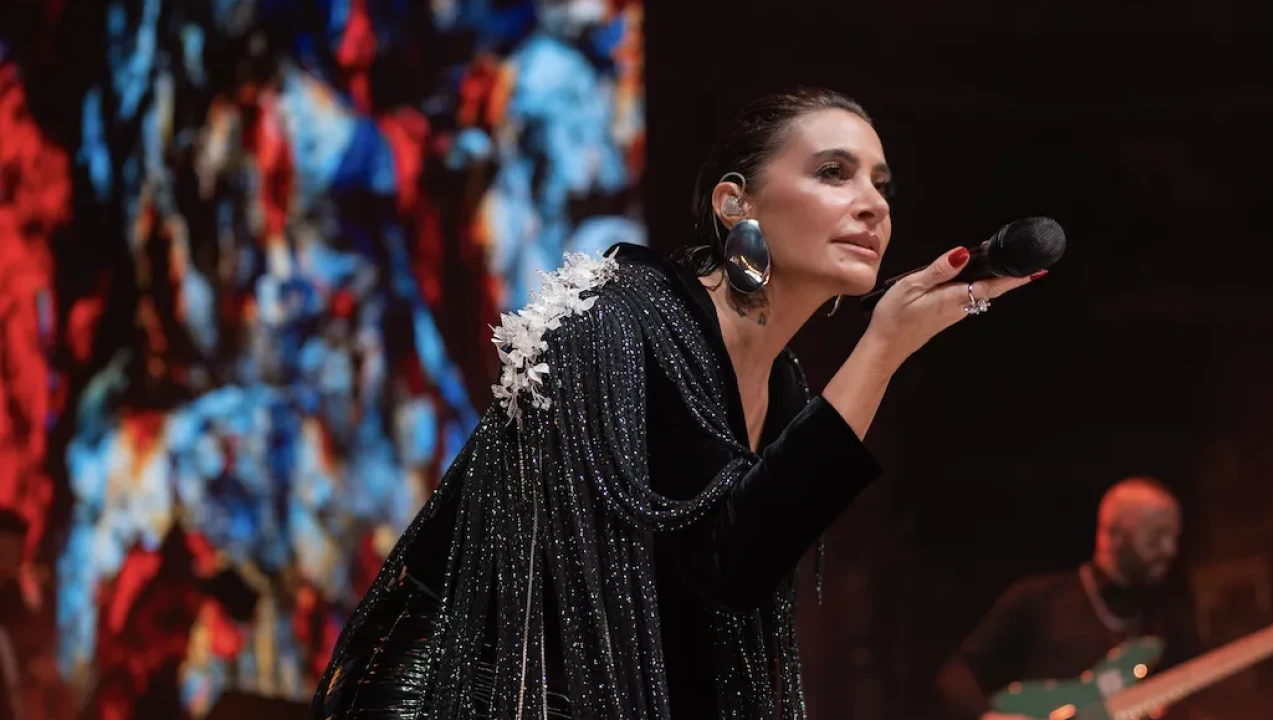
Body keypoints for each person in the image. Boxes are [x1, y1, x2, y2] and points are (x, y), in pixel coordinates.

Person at [311, 86, 1041, 720]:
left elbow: (720, 591)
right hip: (458, 697)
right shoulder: (622, 322)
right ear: (735, 203)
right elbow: (728, 562)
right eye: (833, 173)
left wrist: (887, 346)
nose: (872, 204)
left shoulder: (785, 384)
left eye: (881, 185)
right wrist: (883, 345)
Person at [936, 476, 1220, 720]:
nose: (1169, 549)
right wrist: (990, 717)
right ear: (1112, 534)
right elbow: (957, 672)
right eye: (1156, 537)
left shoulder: (1167, 619)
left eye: (1174, 537)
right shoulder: (1038, 598)